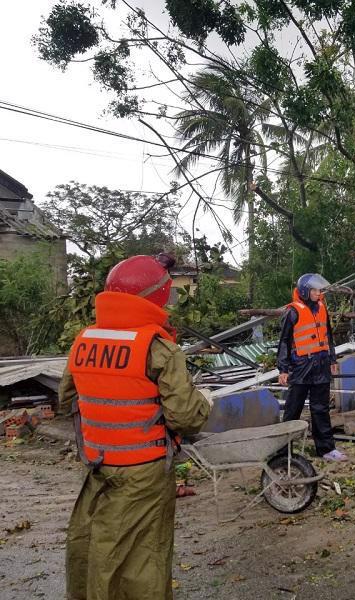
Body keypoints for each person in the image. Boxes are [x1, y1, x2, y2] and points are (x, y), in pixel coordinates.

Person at [60, 253, 211, 600]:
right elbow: (186, 418)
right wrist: (203, 401)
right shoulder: (157, 348)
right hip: (144, 471)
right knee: (143, 559)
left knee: (94, 546)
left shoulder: (85, 339)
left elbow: (67, 399)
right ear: (157, 296)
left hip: (97, 464)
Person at [277, 273, 347, 461]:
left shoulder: (322, 308)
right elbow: (284, 342)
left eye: (319, 290)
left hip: (321, 364)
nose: (318, 293)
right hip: (301, 366)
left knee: (321, 408)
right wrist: (283, 369)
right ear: (304, 291)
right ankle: (283, 452)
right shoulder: (292, 312)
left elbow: (328, 336)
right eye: (315, 290)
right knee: (293, 409)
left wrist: (332, 359)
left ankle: (326, 449)